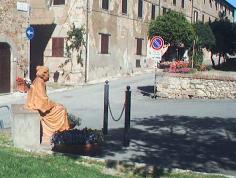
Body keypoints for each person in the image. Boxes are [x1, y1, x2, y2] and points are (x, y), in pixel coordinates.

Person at [25, 66, 70, 144]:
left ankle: (63, 132)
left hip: (40, 105)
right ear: (43, 74)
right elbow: (42, 101)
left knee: (60, 107)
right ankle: (60, 134)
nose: (49, 75)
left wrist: (53, 104)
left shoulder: (38, 80)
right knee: (62, 110)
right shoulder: (40, 82)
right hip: (40, 107)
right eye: (47, 73)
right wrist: (54, 104)